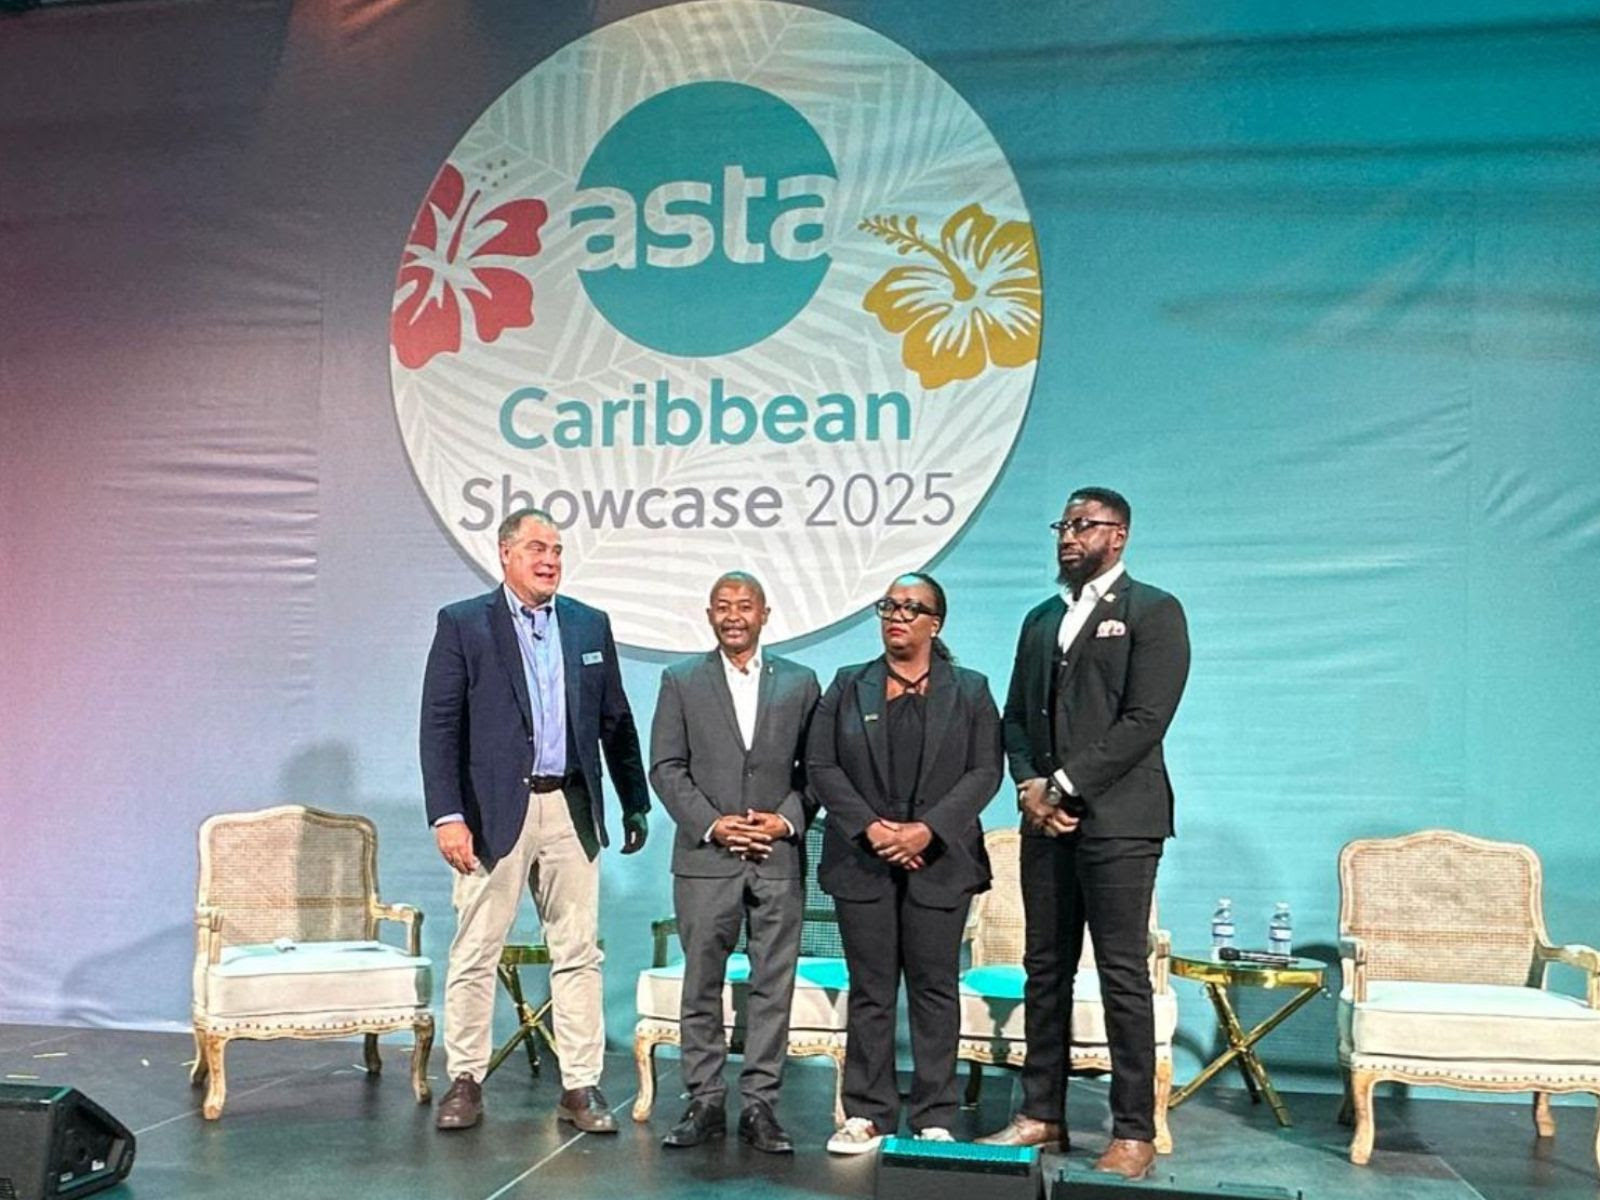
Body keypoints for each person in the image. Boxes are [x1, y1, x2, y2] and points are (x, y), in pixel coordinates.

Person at [977, 487, 1190, 1181]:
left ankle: (1133, 1130)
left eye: (1084, 525)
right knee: (1045, 968)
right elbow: (1014, 717)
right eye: (1063, 525)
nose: (1069, 536)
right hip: (1045, 821)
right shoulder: (1042, 618)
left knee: (1122, 973)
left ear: (1118, 535)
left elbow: (1145, 719)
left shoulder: (1153, 611)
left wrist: (1064, 784)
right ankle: (1042, 1112)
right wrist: (1029, 787)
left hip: (1121, 822)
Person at [420, 507, 650, 1133]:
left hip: (570, 806)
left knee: (577, 951)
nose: (549, 560)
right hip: (492, 812)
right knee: (476, 950)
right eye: (536, 548)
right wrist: (448, 815)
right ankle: (465, 1080)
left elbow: (616, 721)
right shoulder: (464, 623)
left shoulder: (588, 624)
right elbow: (440, 727)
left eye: (557, 549)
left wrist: (633, 798)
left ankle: (580, 1086)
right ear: (505, 554)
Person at [806, 573, 1003, 1154]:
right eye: (889, 606)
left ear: (935, 624)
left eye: (911, 608)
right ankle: (867, 1114)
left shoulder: (970, 690)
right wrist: (872, 829)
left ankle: (934, 1115)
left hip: (940, 859)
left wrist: (926, 831)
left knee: (934, 988)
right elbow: (821, 766)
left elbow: (985, 772)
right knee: (870, 990)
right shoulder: (848, 685)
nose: (896, 616)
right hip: (862, 858)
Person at [648, 571, 821, 1154]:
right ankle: (703, 1100)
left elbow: (816, 771)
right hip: (706, 857)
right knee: (701, 982)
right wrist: (715, 824)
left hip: (775, 856)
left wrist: (783, 820)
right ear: (709, 615)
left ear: (764, 614)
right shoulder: (681, 680)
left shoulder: (800, 682)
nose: (733, 616)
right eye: (722, 606)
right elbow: (666, 767)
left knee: (773, 984)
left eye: (744, 606)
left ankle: (760, 1105)